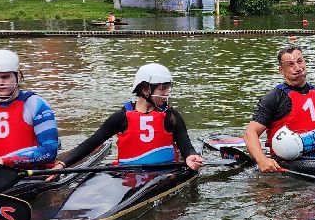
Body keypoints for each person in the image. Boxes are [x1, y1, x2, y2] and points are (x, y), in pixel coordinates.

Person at [56, 63, 205, 170]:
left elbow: (185, 144)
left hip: (166, 172)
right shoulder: (121, 117)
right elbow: (91, 143)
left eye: (167, 88)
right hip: (128, 173)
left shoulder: (171, 116)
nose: (166, 94)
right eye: (162, 89)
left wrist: (190, 156)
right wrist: (63, 164)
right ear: (146, 90)